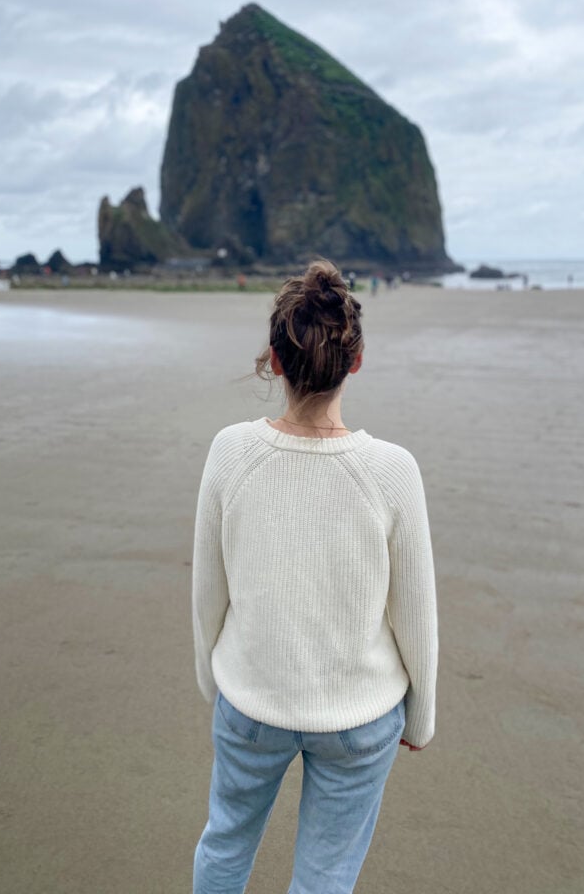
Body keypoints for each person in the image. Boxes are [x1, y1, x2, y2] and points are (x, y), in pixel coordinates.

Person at [192, 259, 438, 894]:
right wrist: (423, 716)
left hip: (250, 700)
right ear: (354, 362)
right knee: (325, 878)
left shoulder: (230, 451)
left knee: (225, 843)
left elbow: (208, 588)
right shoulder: (392, 470)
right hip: (360, 714)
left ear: (274, 360)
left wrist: (211, 679)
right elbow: (414, 609)